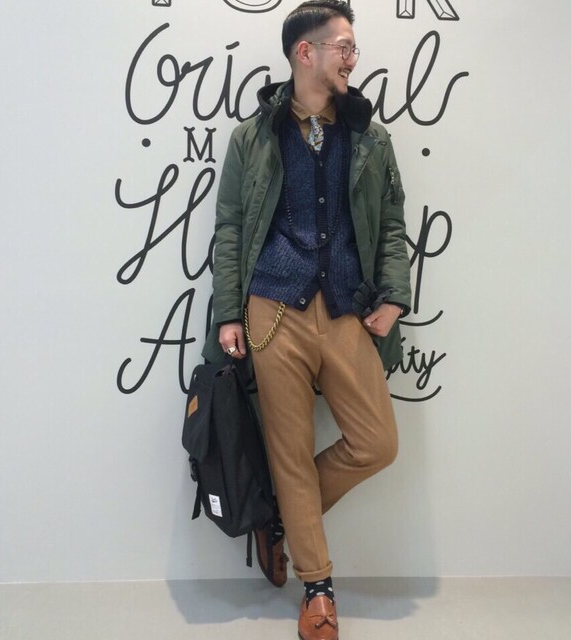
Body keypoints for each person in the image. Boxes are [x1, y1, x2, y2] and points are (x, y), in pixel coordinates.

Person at [202, 2, 411, 638]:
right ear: (305, 52)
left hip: (347, 310)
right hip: (272, 312)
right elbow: (231, 228)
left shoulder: (370, 137)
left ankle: (277, 517)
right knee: (288, 452)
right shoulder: (253, 136)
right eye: (344, 47)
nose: (353, 59)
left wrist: (394, 296)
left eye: (353, 48)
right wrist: (229, 311)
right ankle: (317, 590)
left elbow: (392, 223)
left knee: (377, 443)